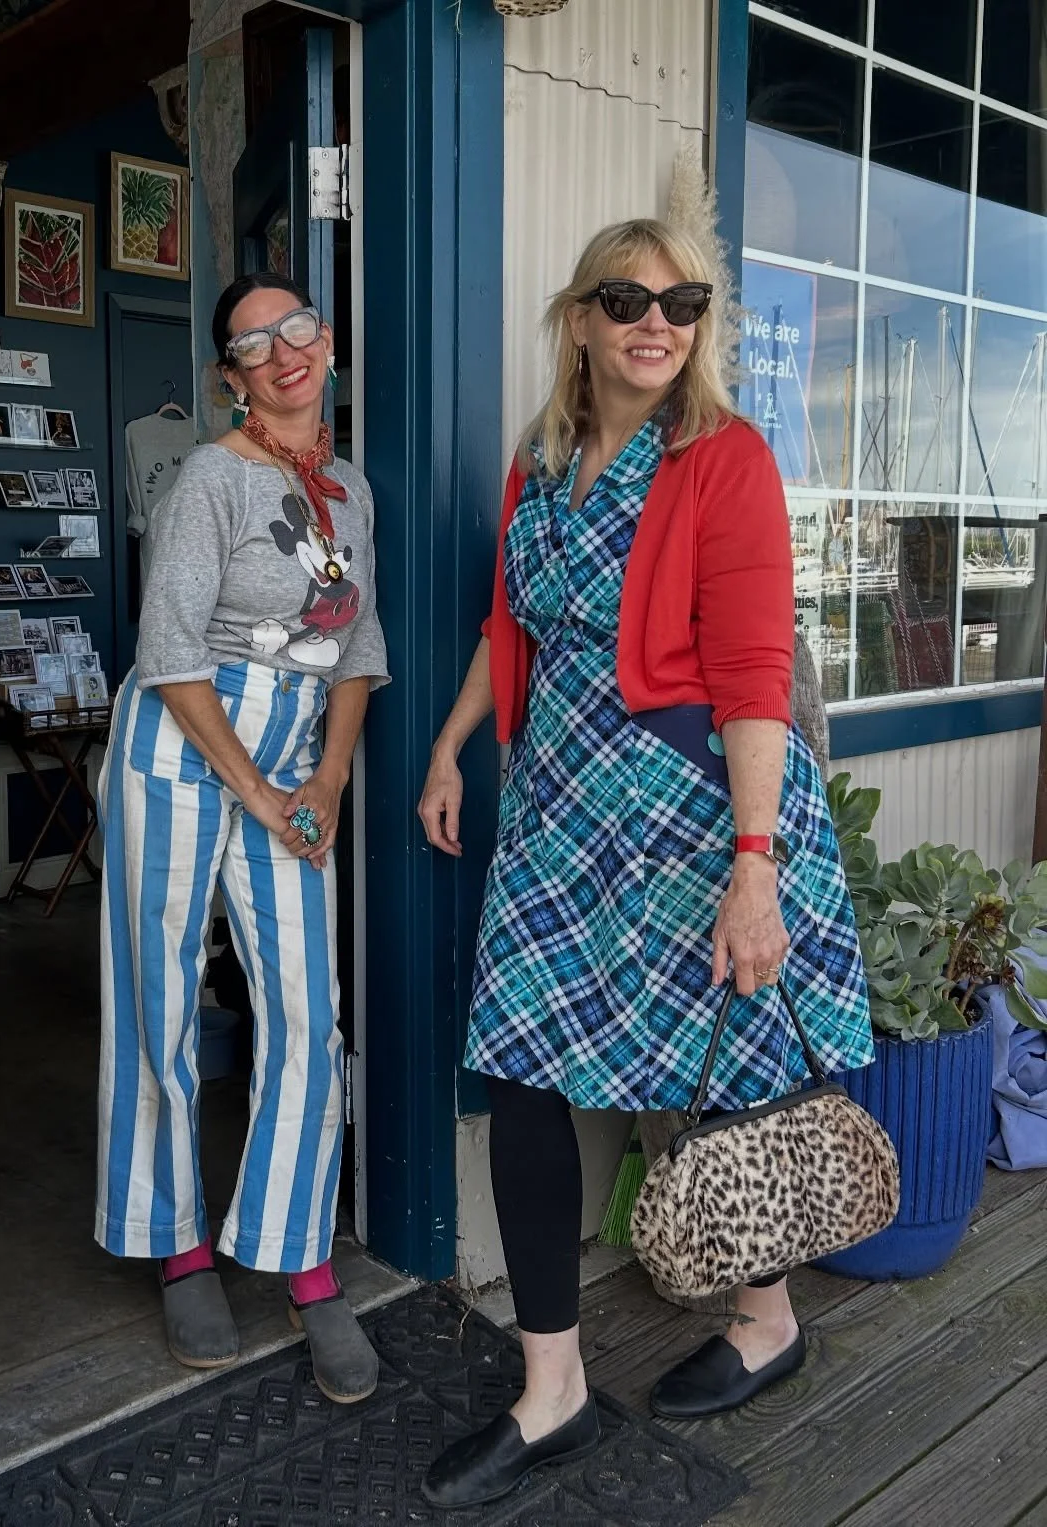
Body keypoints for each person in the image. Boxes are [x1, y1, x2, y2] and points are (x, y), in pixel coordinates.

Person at [416, 218, 874, 1508]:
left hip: (684, 801)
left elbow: (752, 674)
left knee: (717, 1058)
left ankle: (767, 1316)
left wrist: (754, 861)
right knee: (515, 1066)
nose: (655, 321)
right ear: (581, 318)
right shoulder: (540, 458)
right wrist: (456, 745)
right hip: (557, 804)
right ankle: (552, 1389)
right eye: (628, 297)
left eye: (682, 301)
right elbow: (512, 622)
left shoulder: (723, 461)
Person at [95, 271, 389, 1405]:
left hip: (295, 753)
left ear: (325, 345)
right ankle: (177, 1246)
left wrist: (326, 776)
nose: (284, 352)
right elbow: (169, 653)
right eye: (255, 343)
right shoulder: (209, 482)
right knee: (159, 998)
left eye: (300, 329)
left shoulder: (350, 492)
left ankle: (302, 1261)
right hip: (183, 743)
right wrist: (261, 795)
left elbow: (358, 649)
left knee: (310, 1012)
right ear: (232, 377)